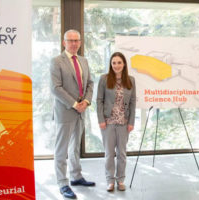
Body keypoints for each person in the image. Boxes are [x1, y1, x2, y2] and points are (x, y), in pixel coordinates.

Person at [50, 29, 95, 199]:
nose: (74, 43)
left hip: (81, 112)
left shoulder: (83, 60)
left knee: (75, 147)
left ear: (80, 42)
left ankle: (76, 177)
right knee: (61, 150)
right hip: (66, 111)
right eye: (70, 40)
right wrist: (75, 104)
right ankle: (63, 183)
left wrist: (87, 102)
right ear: (64, 43)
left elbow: (90, 83)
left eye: (77, 40)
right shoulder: (56, 61)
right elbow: (55, 88)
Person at [96, 52, 136, 192]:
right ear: (111, 64)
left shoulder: (131, 80)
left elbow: (132, 103)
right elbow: (99, 100)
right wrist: (101, 120)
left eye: (119, 62)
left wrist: (131, 122)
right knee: (109, 154)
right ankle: (110, 181)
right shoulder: (104, 79)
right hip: (108, 122)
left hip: (124, 123)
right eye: (114, 63)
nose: (116, 65)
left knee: (122, 154)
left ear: (124, 64)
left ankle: (120, 180)